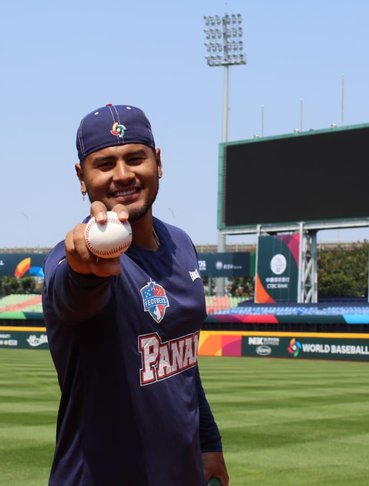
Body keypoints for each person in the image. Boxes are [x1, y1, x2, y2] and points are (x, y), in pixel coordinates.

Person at [42, 104, 229, 486]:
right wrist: (86, 272)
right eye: (105, 164)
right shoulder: (73, 258)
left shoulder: (180, 243)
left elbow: (183, 361)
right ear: (82, 177)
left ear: (158, 162)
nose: (123, 175)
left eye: (136, 158)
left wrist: (209, 440)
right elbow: (72, 297)